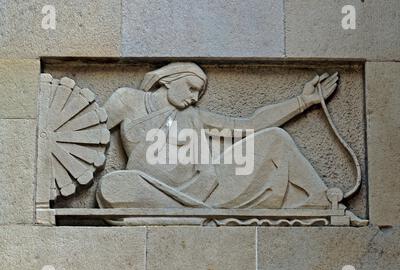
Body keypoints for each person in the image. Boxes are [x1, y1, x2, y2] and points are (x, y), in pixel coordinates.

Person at [97, 62, 339, 209]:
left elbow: (250, 124)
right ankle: (184, 211)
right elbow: (91, 132)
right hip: (152, 189)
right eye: (191, 88)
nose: (193, 97)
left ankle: (322, 200)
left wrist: (303, 101)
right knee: (113, 186)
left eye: (199, 93)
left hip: (203, 190)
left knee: (276, 138)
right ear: (169, 80)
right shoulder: (127, 99)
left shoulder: (192, 115)